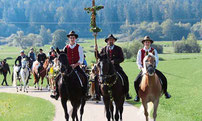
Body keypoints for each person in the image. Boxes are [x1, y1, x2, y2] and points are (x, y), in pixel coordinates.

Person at [51, 31, 88, 100]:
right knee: (57, 78)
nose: (72, 39)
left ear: (75, 38)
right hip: (67, 68)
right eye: (71, 38)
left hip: (76, 67)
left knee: (85, 77)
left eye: (73, 38)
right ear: (69, 39)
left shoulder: (79, 47)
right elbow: (63, 57)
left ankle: (85, 93)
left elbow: (81, 59)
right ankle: (57, 93)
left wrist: (76, 64)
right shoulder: (66, 47)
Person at [134, 36, 171, 102]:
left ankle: (165, 92)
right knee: (136, 81)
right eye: (146, 42)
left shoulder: (154, 51)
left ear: (150, 43)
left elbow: (156, 60)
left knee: (163, 78)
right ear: (144, 43)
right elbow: (138, 61)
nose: (147, 43)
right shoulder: (140, 51)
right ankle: (137, 95)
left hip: (153, 69)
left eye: (148, 42)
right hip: (144, 69)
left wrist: (153, 68)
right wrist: (142, 68)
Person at [95, 34, 132, 100]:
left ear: (114, 41)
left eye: (112, 40)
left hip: (116, 67)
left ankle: (126, 93)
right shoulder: (104, 49)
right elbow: (99, 57)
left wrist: (114, 61)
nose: (111, 41)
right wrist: (96, 51)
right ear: (107, 41)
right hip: (105, 69)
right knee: (96, 77)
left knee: (125, 77)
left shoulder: (118, 49)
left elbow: (122, 58)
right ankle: (97, 94)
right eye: (109, 40)